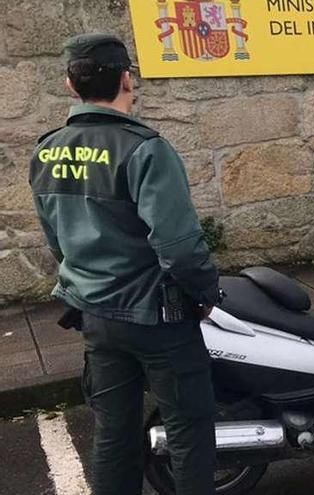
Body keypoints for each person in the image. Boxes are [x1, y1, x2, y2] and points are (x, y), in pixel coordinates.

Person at [28, 33, 220, 494]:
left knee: (114, 433)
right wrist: (206, 294)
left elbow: (56, 239)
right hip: (158, 318)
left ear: (71, 86)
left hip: (96, 316)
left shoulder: (47, 150)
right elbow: (179, 246)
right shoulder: (145, 148)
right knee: (190, 431)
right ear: (127, 79)